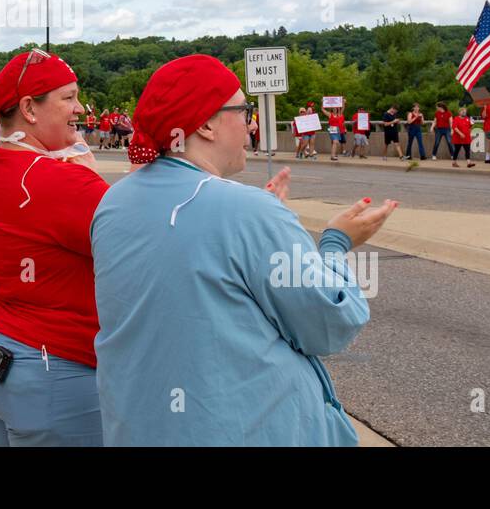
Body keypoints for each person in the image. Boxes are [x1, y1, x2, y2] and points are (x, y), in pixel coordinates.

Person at [90, 55, 397, 446]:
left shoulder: (113, 203)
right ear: (204, 124)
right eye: (243, 110)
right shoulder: (246, 211)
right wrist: (335, 243)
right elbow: (330, 322)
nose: (251, 124)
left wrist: (265, 226)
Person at [0, 49, 109, 446]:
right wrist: (91, 180)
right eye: (68, 98)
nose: (80, 108)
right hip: (51, 365)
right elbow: (143, 251)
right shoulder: (64, 182)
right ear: (29, 108)